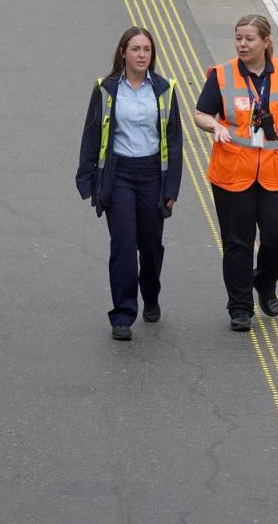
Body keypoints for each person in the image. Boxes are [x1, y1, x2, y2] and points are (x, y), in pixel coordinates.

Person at [193, 13, 278, 332]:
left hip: (274, 172)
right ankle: (240, 307)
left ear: (266, 42)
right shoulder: (222, 75)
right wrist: (214, 126)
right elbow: (200, 113)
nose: (242, 44)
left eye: (249, 38)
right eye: (238, 37)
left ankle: (264, 283)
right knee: (238, 242)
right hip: (232, 171)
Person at [76, 27, 183, 341]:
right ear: (122, 52)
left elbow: (175, 143)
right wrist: (87, 180)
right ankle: (122, 314)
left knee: (150, 246)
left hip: (153, 175)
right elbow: (92, 134)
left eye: (146, 49)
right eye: (135, 49)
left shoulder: (165, 89)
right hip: (119, 174)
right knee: (123, 245)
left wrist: (171, 189)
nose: (141, 55)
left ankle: (150, 294)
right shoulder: (106, 88)